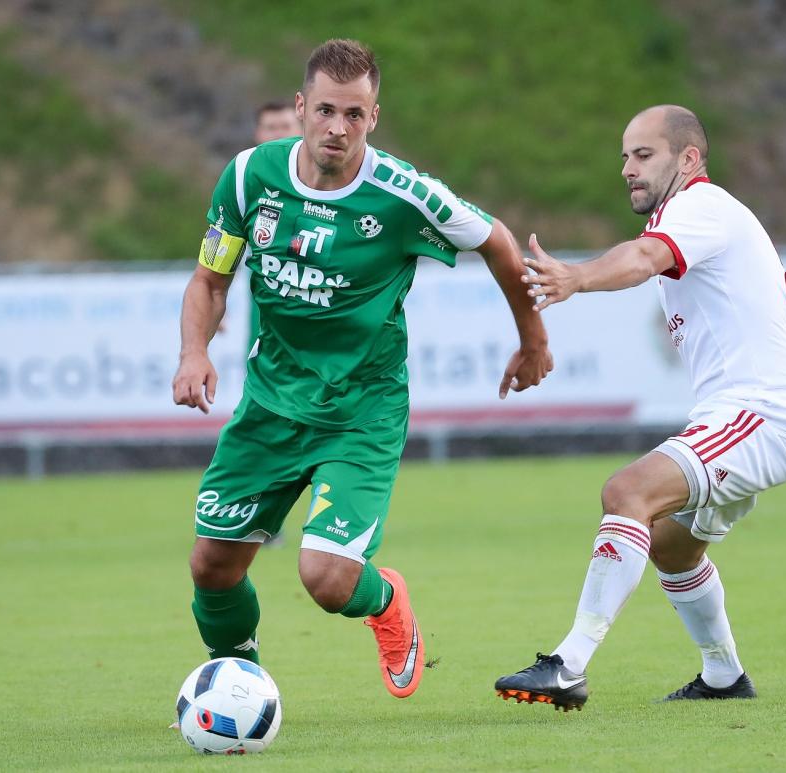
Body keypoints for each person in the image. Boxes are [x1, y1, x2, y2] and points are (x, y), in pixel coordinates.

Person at [172, 39, 553, 700]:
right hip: (270, 405)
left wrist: (533, 337)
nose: (338, 128)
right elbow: (210, 278)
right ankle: (237, 686)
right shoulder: (247, 177)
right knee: (212, 564)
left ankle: (385, 600)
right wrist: (194, 352)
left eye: (354, 113)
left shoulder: (404, 196)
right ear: (300, 109)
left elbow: (495, 240)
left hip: (361, 411)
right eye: (325, 110)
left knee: (325, 578)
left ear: (374, 117)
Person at [494, 105, 786, 709]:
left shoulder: (701, 206)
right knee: (671, 544)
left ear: (688, 159)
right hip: (750, 415)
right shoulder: (695, 215)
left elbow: (643, 259)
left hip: (763, 415)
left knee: (627, 493)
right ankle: (724, 676)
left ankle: (568, 663)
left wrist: (576, 278)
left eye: (643, 155)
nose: (627, 168)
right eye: (624, 156)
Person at [248, 100, 303, 549]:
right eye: (270, 127)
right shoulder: (253, 183)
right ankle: (264, 514)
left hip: (318, 317)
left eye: (285, 125)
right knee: (268, 409)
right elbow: (219, 261)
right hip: (267, 319)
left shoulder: (323, 181)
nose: (278, 133)